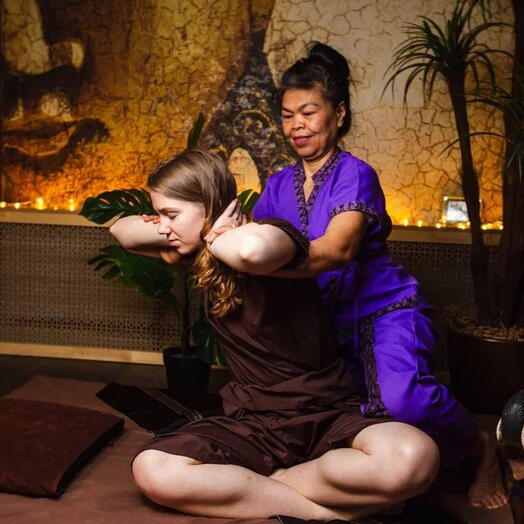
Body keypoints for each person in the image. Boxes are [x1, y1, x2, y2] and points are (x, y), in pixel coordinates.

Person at [109, 148, 439, 520]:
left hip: (325, 411)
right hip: (253, 421)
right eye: (159, 215)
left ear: (211, 205)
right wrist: (189, 228)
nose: (162, 227)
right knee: (152, 469)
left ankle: (261, 485)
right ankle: (323, 514)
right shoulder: (196, 253)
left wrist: (214, 235)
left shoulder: (274, 233)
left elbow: (251, 252)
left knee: (415, 457)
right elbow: (122, 231)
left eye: (171, 215)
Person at [246, 42, 506, 509]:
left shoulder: (356, 174)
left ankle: (481, 446)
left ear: (339, 113)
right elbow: (252, 243)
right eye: (287, 116)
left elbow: (336, 252)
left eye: (308, 112)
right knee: (336, 417)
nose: (296, 125)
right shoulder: (277, 184)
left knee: (403, 400)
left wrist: (255, 258)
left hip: (384, 310)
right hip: (320, 325)